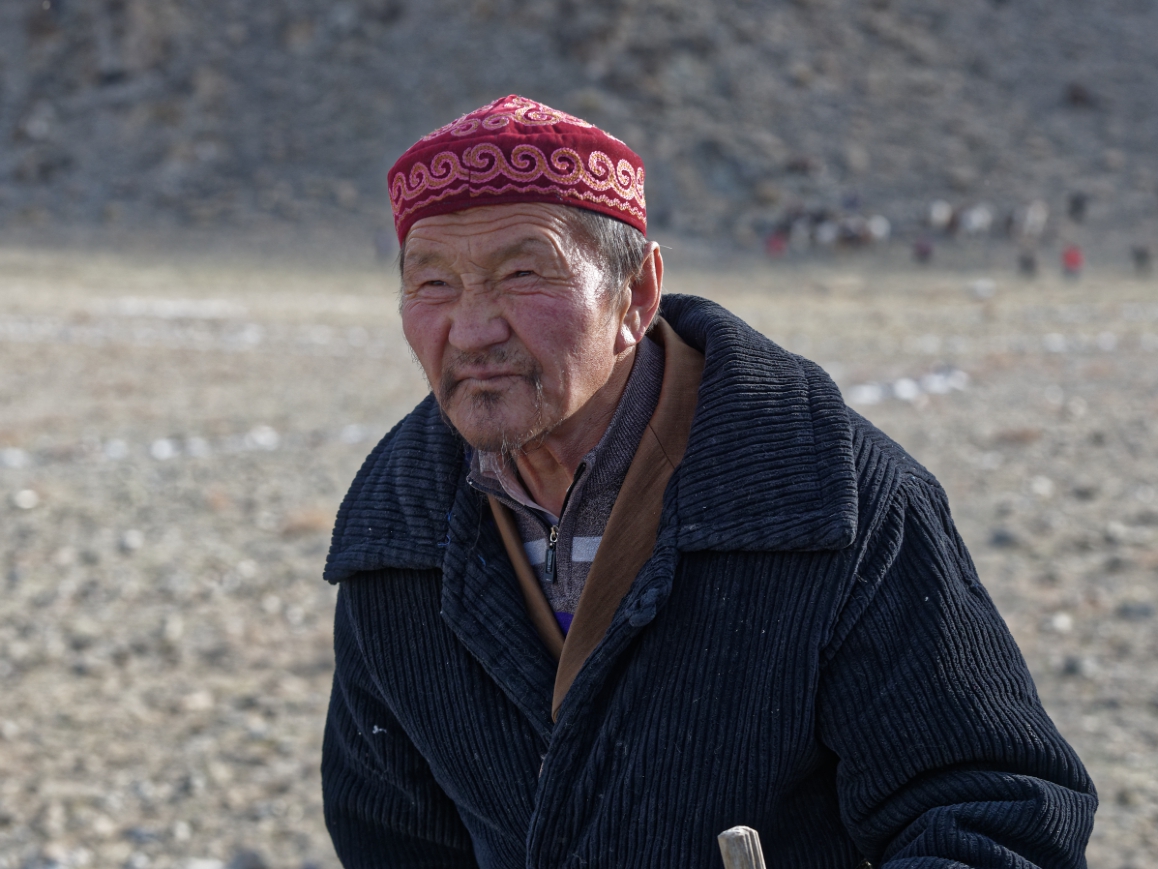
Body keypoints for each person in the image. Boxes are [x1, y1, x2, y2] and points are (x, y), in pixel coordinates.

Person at [320, 95, 1096, 868]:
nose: (471, 329)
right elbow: (392, 836)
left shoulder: (835, 499)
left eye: (522, 274)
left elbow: (990, 812)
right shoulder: (396, 535)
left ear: (636, 295)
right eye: (432, 284)